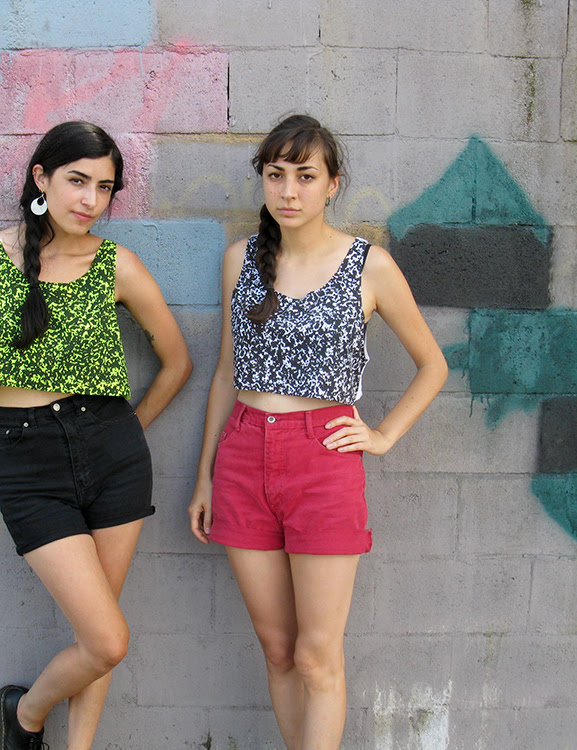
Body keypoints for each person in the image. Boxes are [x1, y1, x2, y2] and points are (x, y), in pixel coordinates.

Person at [188, 114, 448, 750]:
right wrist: (205, 477)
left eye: (305, 176)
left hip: (323, 459)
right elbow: (225, 372)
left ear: (332, 184)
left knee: (316, 655)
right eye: (276, 175)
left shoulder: (368, 265)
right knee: (278, 648)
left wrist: (382, 435)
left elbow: (433, 365)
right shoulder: (240, 260)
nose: (289, 191)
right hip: (243, 457)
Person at [0, 121, 192, 750]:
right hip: (28, 464)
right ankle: (25, 714)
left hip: (114, 455)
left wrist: (127, 430)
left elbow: (177, 362)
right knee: (107, 639)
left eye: (104, 188)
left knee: (97, 638)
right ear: (40, 178)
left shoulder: (116, 265)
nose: (90, 200)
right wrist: (15, 428)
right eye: (78, 181)